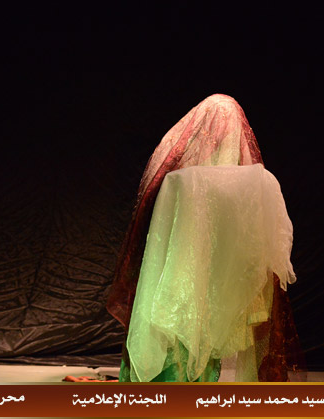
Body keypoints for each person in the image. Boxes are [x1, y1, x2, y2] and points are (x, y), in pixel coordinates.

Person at [107, 94, 303, 381]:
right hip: (220, 294)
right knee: (202, 352)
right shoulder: (262, 182)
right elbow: (275, 253)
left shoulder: (180, 180)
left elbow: (157, 243)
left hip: (179, 291)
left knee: (176, 354)